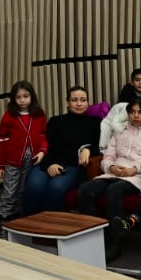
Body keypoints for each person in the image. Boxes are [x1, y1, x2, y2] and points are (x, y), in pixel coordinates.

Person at [75, 97, 141, 255]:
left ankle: (114, 242)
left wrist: (135, 169)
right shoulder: (120, 131)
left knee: (114, 191)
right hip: (113, 173)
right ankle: (91, 237)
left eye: (140, 112)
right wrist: (111, 166)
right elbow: (107, 156)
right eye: (132, 112)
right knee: (85, 189)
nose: (136, 115)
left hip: (137, 177)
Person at [20, 85, 99, 214]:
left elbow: (100, 145)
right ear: (67, 101)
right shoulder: (56, 121)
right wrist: (50, 164)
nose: (79, 104)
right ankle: (27, 225)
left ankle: (50, 227)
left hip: (72, 166)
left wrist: (87, 148)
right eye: (74, 100)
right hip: (49, 161)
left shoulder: (95, 122)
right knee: (35, 186)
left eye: (83, 100)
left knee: (55, 187)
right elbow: (48, 145)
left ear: (88, 102)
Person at [0, 80, 46, 221]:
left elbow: (44, 136)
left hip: (32, 159)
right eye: (18, 97)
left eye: (25, 96)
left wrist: (42, 150)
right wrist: (0, 165)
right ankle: (5, 217)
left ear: (32, 97)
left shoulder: (39, 114)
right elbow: (2, 142)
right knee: (10, 191)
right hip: (12, 160)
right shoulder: (9, 116)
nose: (22, 100)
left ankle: (18, 218)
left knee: (23, 190)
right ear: (13, 99)